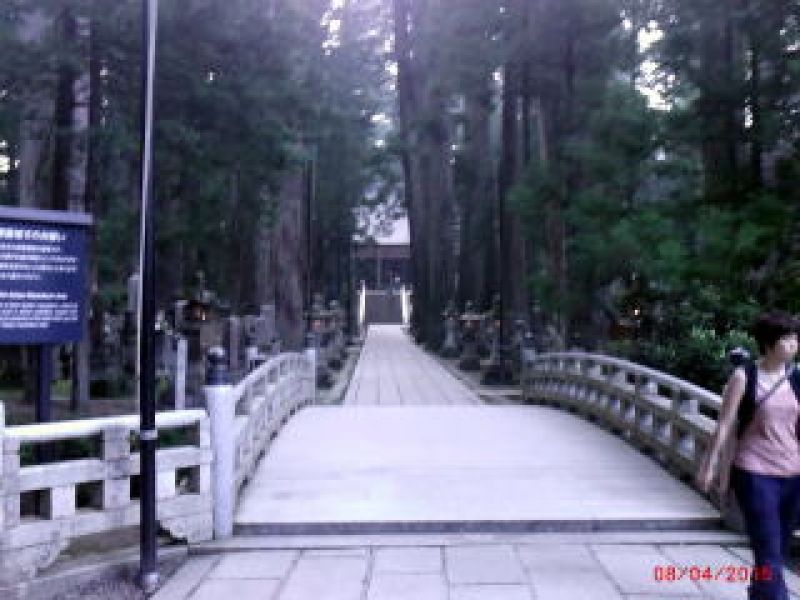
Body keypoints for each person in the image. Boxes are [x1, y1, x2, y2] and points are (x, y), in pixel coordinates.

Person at [696, 310, 800, 600]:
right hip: (755, 472)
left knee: (777, 550)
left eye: (795, 339)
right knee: (768, 548)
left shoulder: (798, 379)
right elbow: (725, 426)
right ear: (768, 343)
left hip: (793, 474)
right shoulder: (744, 377)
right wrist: (710, 466)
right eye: (787, 339)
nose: (794, 344)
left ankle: (760, 593)